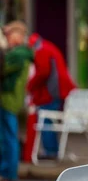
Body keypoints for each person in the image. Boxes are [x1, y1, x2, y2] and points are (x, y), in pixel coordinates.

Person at [27, 31, 76, 159]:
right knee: (49, 120)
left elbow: (43, 72)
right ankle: (53, 150)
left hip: (53, 91)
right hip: (58, 89)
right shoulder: (47, 47)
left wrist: (30, 86)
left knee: (45, 119)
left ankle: (50, 151)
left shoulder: (41, 50)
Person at [0, 21, 34, 181]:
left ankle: (9, 173)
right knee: (9, 136)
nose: (7, 37)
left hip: (8, 98)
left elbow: (3, 69)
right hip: (13, 98)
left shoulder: (17, 54)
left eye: (9, 34)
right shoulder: (24, 53)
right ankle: (8, 173)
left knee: (8, 137)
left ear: (18, 35)